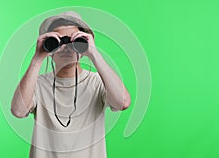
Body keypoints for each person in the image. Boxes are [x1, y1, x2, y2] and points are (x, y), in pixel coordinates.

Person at [11, 11, 131, 158]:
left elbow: (123, 102)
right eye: (58, 42)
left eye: (74, 42)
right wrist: (37, 58)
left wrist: (93, 53)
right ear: (50, 48)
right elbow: (18, 111)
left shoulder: (98, 82)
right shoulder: (37, 84)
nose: (66, 47)